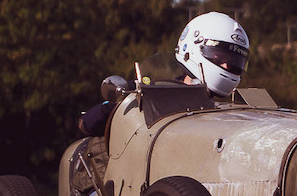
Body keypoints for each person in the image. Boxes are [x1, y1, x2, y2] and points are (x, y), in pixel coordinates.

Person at [77, 12, 251, 137]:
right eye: (219, 56)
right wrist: (121, 100)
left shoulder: (243, 109)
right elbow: (87, 124)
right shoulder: (153, 94)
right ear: (191, 48)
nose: (227, 65)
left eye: (235, 61)